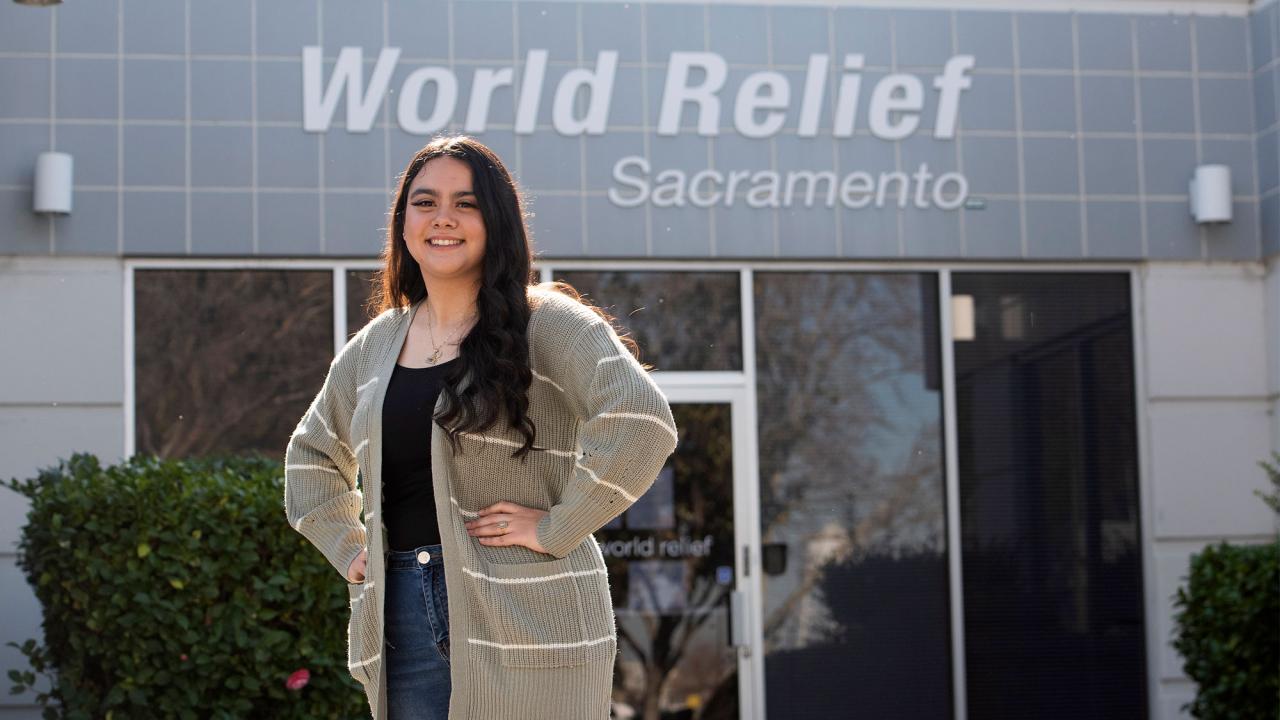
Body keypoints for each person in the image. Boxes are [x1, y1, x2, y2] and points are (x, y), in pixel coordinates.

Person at [283, 135, 678, 720]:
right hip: (401, 621)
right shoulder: (376, 347)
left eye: (465, 203)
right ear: (403, 223)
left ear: (496, 221)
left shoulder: (547, 323)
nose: (443, 218)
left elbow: (642, 421)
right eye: (424, 202)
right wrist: (350, 548)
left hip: (533, 616)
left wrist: (561, 525)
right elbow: (310, 458)